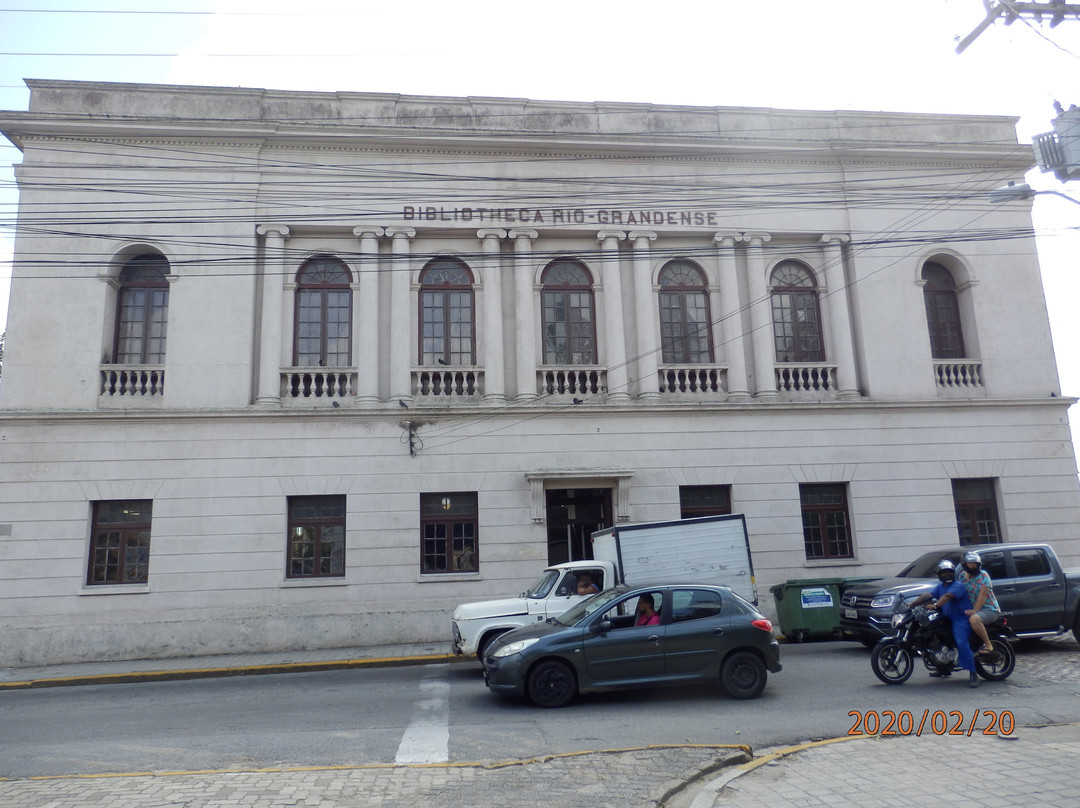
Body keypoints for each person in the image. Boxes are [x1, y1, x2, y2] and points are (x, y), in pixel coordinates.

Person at [910, 559, 979, 688]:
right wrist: (913, 603)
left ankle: (973, 673)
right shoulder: (940, 586)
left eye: (949, 572)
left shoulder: (957, 586)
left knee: (961, 642)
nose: (946, 575)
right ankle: (943, 667)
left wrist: (935, 605)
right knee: (936, 636)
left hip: (960, 618)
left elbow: (947, 597)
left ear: (953, 573)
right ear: (939, 574)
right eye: (943, 573)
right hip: (946, 617)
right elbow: (927, 595)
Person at [957, 551, 1001, 655]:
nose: (973, 565)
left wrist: (974, 610)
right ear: (964, 564)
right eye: (970, 563)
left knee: (974, 619)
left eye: (975, 563)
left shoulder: (983, 575)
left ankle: (988, 644)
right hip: (971, 609)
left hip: (988, 609)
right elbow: (958, 592)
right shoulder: (962, 576)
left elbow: (983, 594)